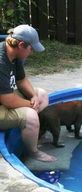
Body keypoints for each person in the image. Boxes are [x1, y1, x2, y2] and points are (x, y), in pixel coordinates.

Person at [0, 24, 57, 162]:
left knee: (42, 95)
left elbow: (21, 80)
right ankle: (33, 152)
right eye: (31, 48)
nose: (32, 52)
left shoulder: (14, 54)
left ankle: (30, 130)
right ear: (21, 45)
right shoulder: (1, 62)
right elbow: (8, 100)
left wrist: (34, 97)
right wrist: (30, 105)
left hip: (7, 97)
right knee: (31, 115)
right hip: (3, 104)